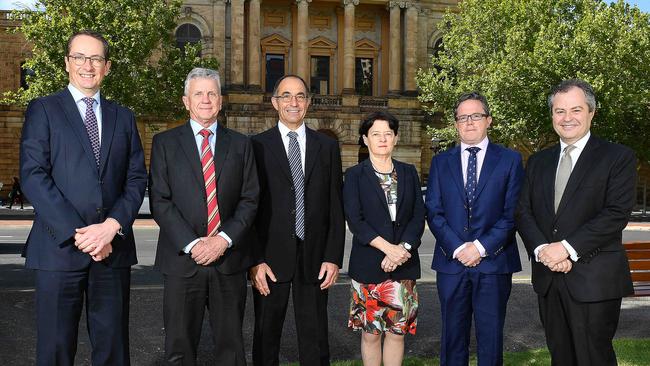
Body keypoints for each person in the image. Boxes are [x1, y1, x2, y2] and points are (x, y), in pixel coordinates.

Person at [19, 30, 147, 365]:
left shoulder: (124, 117)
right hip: (59, 251)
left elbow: (135, 179)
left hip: (112, 251)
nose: (87, 65)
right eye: (79, 57)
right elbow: (34, 176)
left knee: (112, 351)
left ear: (107, 67)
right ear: (67, 63)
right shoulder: (43, 110)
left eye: (95, 58)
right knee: (56, 351)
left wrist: (110, 227)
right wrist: (83, 235)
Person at [516, 79, 637, 366]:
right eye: (559, 111)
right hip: (549, 278)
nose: (567, 118)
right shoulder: (538, 161)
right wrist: (544, 250)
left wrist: (566, 249)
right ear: (552, 115)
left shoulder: (617, 157)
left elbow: (616, 213)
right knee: (561, 358)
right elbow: (523, 212)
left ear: (591, 112)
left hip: (594, 280)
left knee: (594, 358)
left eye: (575, 110)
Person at [149, 67, 259, 365]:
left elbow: (250, 200)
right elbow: (160, 201)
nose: (206, 99)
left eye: (212, 93)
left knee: (231, 349)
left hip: (228, 261)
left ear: (221, 101)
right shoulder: (165, 143)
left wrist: (222, 241)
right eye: (199, 93)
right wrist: (194, 244)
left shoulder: (241, 144)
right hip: (183, 261)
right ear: (186, 101)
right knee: (179, 348)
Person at [249, 74, 345, 366]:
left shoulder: (326, 147)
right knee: (266, 337)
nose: (294, 102)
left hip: (315, 257)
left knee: (315, 338)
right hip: (269, 258)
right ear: (275, 102)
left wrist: (333, 257)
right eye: (286, 95)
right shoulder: (255, 146)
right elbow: (248, 207)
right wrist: (254, 260)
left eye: (301, 96)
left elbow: (335, 207)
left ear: (308, 102)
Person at [425, 92, 524, 366]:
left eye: (476, 116)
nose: (469, 122)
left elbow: (511, 213)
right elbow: (434, 211)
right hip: (452, 265)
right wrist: (459, 248)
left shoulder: (510, 160)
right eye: (462, 117)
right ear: (456, 124)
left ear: (488, 120)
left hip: (493, 264)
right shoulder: (440, 162)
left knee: (490, 340)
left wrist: (479, 248)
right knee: (452, 339)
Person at [343, 111, 424, 366]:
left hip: (404, 266)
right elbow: (356, 220)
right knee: (370, 335)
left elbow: (417, 217)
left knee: (397, 334)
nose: (382, 139)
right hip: (369, 266)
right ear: (365, 139)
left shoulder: (409, 172)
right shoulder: (355, 175)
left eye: (387, 134)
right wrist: (389, 250)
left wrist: (402, 249)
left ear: (396, 138)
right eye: (375, 134)